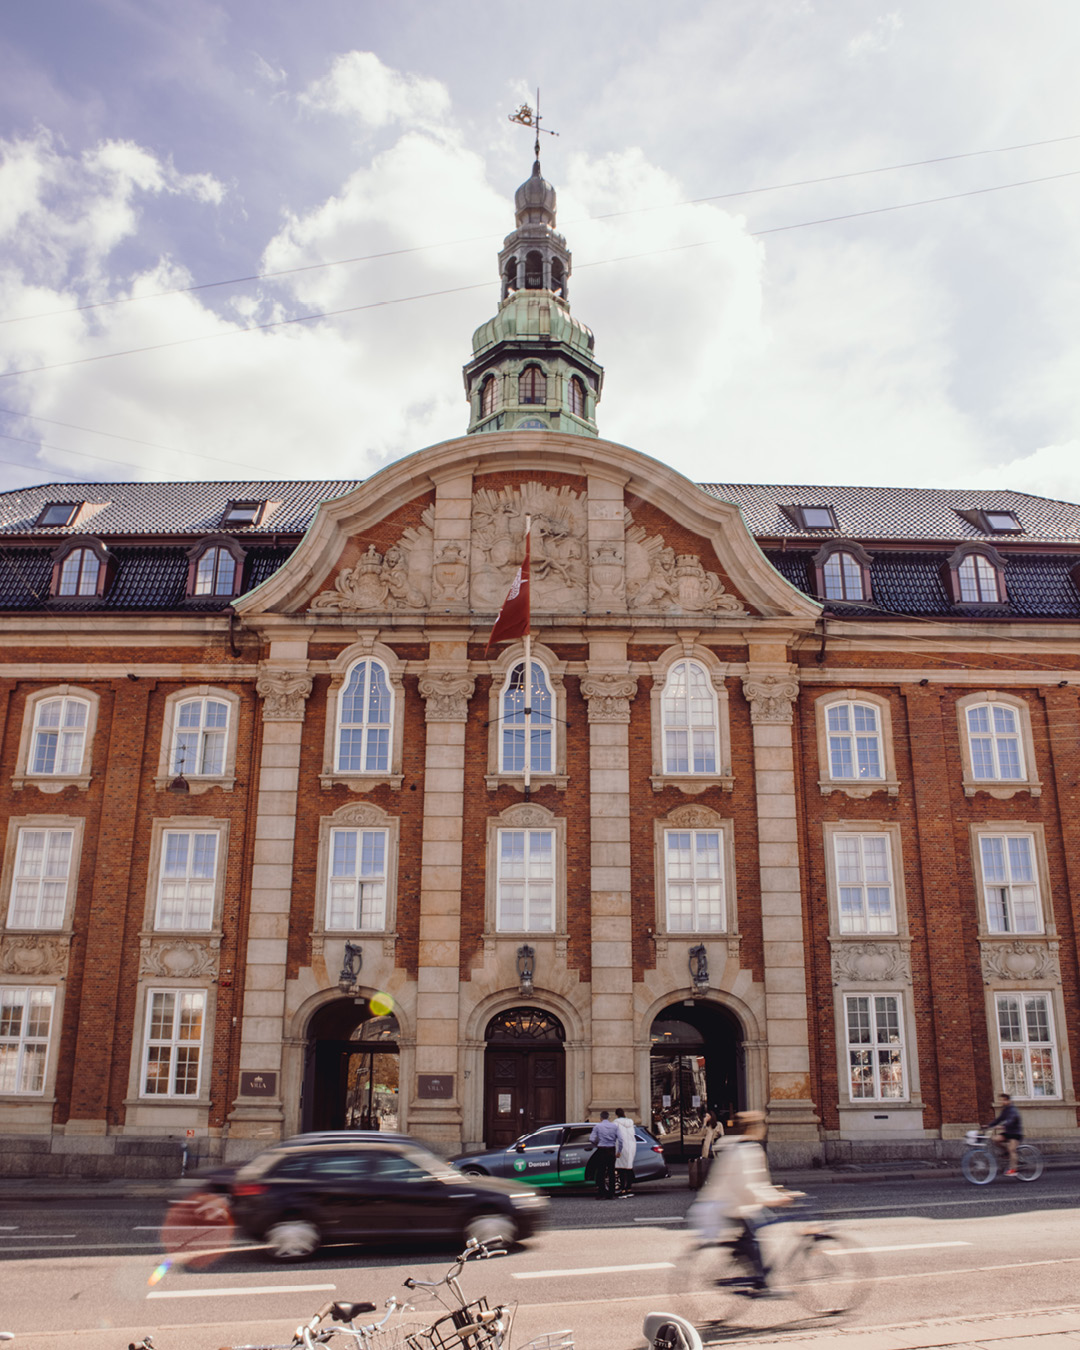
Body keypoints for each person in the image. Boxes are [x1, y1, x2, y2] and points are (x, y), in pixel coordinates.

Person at [688, 1110, 798, 1295]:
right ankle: (761, 1282)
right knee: (754, 1235)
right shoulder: (745, 1151)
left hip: (733, 1202)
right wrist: (776, 1199)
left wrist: (776, 1194)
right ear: (753, 1128)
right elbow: (747, 1188)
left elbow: (757, 1184)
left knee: (756, 1227)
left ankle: (742, 1256)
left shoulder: (744, 1148)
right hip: (730, 1204)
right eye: (760, 1125)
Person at [985, 1093, 1023, 1175]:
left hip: (1015, 1133)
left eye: (1004, 1100)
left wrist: (1002, 1126)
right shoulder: (1005, 1110)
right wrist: (989, 1125)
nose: (1002, 1102)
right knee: (995, 1139)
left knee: (1012, 1149)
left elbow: (1011, 1120)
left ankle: (1013, 1170)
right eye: (1001, 1100)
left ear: (1009, 1101)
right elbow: (998, 1119)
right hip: (1008, 1132)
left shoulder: (1013, 1110)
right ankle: (1007, 1152)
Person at [589, 1110, 620, 1199]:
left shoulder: (597, 1126)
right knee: (611, 1172)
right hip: (611, 1149)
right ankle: (611, 1194)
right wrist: (619, 1151)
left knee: (601, 1172)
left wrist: (597, 1144)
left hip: (602, 1149)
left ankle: (601, 1193)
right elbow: (621, 1140)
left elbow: (591, 1139)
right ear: (608, 1117)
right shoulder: (614, 1126)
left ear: (600, 1118)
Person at [614, 1107, 638, 1198]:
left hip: (622, 1146)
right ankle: (629, 1188)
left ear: (616, 1114)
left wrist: (618, 1150)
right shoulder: (630, 1122)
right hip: (632, 1146)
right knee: (629, 1168)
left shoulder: (615, 1123)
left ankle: (623, 1189)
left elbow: (617, 1137)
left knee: (621, 1169)